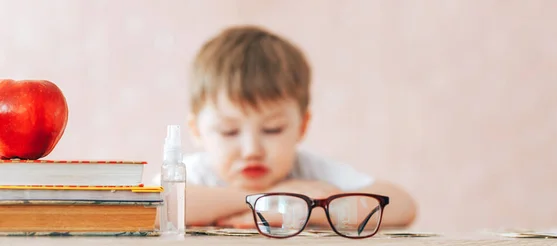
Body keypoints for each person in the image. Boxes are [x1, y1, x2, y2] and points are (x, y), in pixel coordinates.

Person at [165, 25, 417, 228]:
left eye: (273, 129)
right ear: (197, 130)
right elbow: (157, 208)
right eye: (229, 131)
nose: (252, 150)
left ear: (302, 126)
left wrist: (310, 206)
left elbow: (402, 205)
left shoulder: (310, 171)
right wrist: (272, 200)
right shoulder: (194, 173)